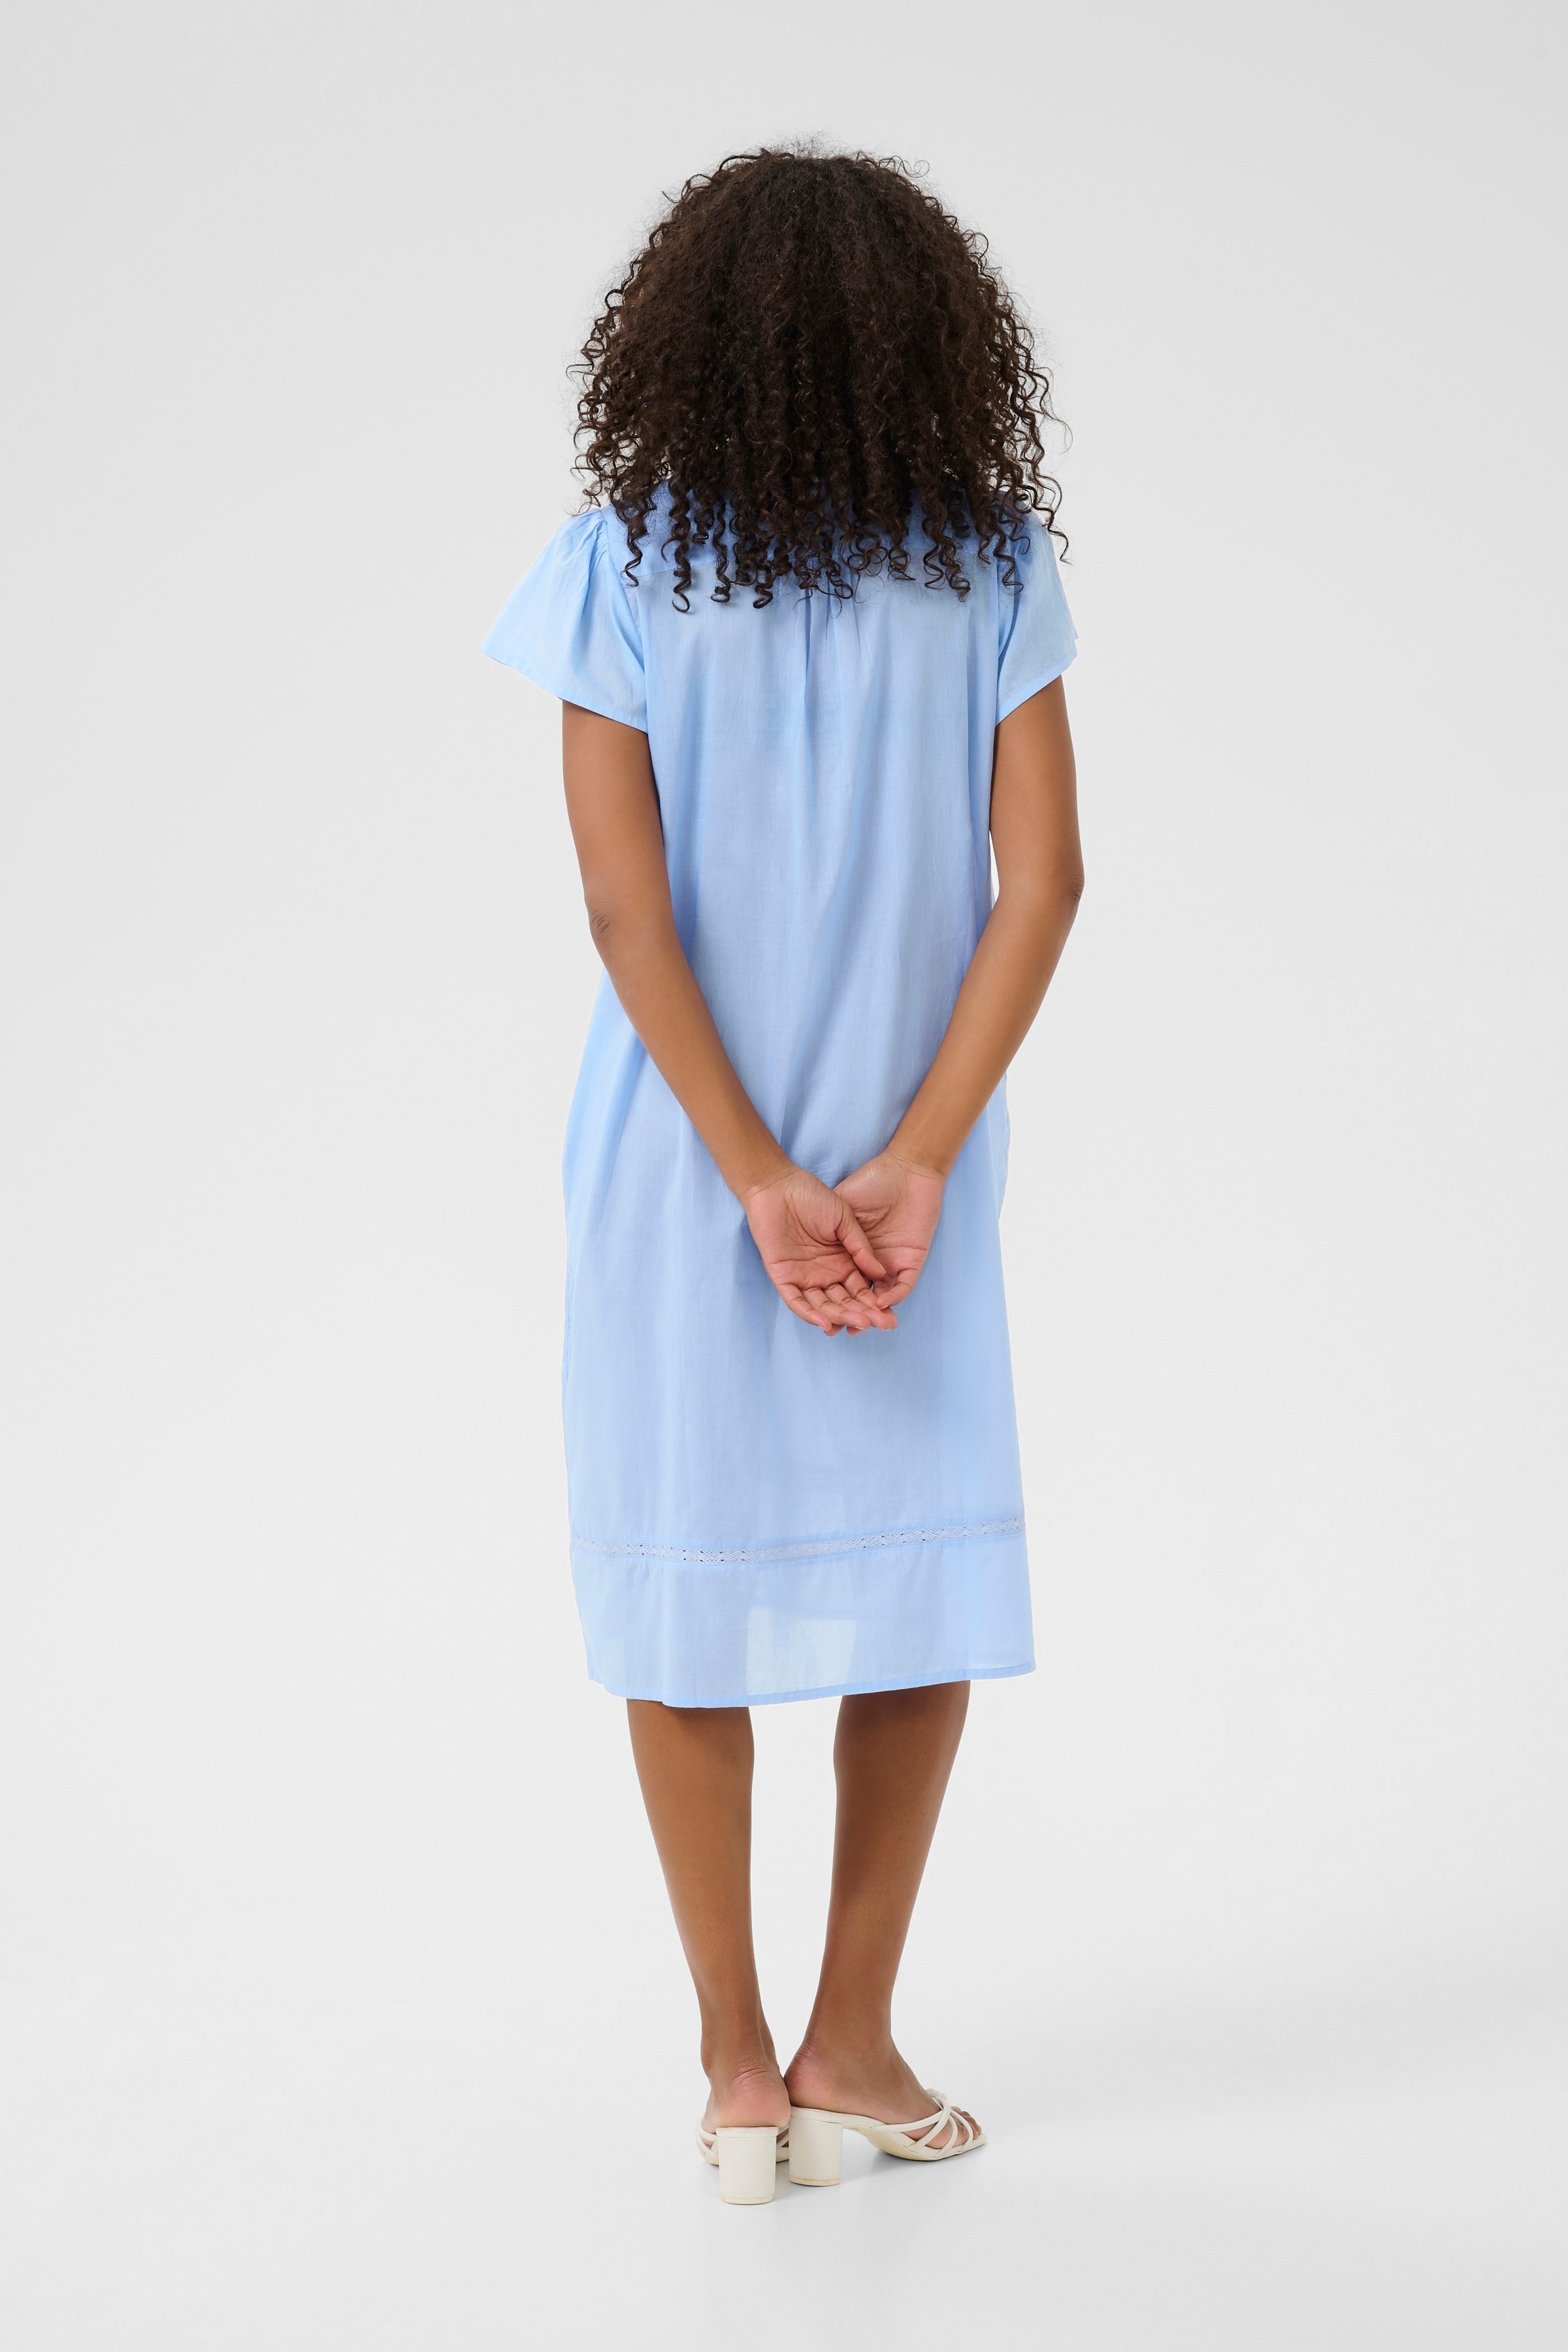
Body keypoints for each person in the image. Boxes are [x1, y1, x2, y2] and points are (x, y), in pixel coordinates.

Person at [484, 148, 1083, 2204]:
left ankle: (740, 2077)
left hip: (682, 1172)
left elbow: (620, 908)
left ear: (679, 339)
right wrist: (912, 1156)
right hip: (913, 1183)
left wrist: (750, 1174)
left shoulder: (619, 563)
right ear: (938, 342)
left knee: (683, 1589)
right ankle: (855, 2044)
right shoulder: (989, 562)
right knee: (918, 1580)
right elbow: (1046, 882)